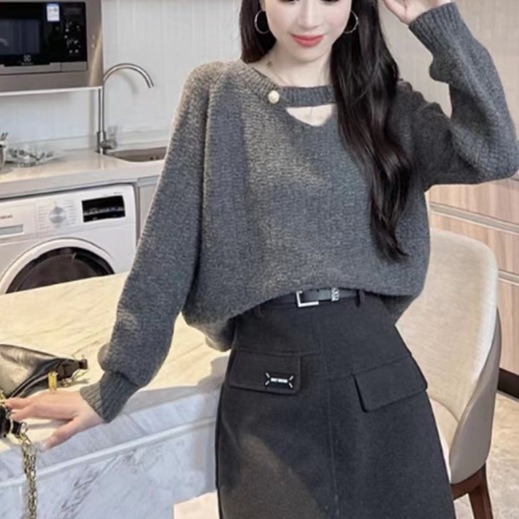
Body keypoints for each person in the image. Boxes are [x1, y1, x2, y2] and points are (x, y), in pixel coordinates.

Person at [5, 0, 519, 517]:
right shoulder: (218, 93)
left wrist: (438, 22)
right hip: (266, 377)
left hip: (378, 373)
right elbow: (166, 250)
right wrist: (116, 384)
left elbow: (494, 151)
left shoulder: (386, 103)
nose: (309, 18)